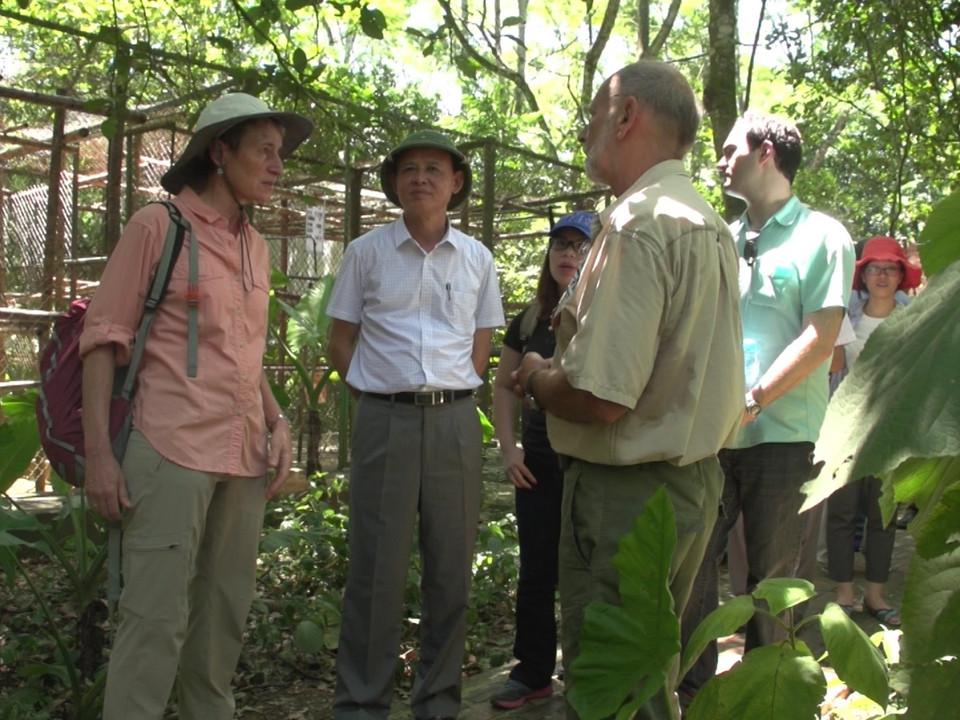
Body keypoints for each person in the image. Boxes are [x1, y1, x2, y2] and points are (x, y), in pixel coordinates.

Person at [512, 60, 744, 719]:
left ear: (625, 116)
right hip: (687, 486)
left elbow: (602, 396)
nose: (587, 133)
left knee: (614, 690)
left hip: (628, 499)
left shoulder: (639, 224)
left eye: (592, 117)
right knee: (647, 678)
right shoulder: (704, 220)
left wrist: (535, 377)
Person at [80, 93, 311, 719]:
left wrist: (277, 418)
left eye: (280, 152)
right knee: (153, 624)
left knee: (221, 628)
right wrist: (100, 457)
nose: (277, 165)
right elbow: (102, 339)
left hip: (243, 458)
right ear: (218, 152)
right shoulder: (158, 226)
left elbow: (245, 353)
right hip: (169, 449)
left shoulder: (256, 247)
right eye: (263, 150)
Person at [326, 130, 505, 720]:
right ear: (395, 183)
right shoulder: (366, 252)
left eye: (434, 168)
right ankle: (361, 705)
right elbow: (340, 342)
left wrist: (450, 394)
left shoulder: (478, 259)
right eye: (409, 170)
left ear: (456, 183)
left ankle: (438, 704)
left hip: (456, 423)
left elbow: (481, 352)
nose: (421, 178)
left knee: (450, 570)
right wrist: (379, 395)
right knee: (375, 571)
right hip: (385, 422)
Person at [680, 111, 855, 703]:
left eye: (730, 149)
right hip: (711, 437)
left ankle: (769, 700)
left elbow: (821, 338)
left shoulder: (823, 236)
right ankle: (695, 696)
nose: (719, 160)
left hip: (787, 436)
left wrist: (752, 401)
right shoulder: (719, 238)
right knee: (692, 568)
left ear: (766, 155)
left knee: (776, 582)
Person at [490, 211, 595, 709]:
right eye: (560, 246)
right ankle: (532, 671)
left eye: (579, 247)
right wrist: (508, 449)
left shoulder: (603, 313)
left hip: (588, 463)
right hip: (537, 461)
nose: (568, 255)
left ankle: (589, 673)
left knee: (587, 572)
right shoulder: (528, 319)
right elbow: (503, 387)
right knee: (536, 571)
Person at [825, 235, 922, 626]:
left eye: (890, 268)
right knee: (842, 513)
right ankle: (843, 592)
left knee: (882, 515)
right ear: (862, 276)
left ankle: (876, 595)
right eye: (874, 269)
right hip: (845, 428)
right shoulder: (845, 315)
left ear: (901, 276)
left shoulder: (916, 319)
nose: (882, 275)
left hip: (892, 432)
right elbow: (831, 368)